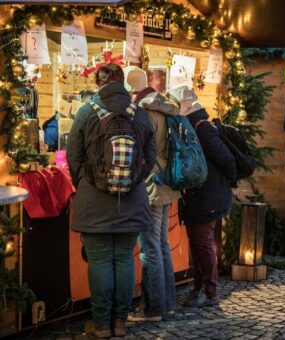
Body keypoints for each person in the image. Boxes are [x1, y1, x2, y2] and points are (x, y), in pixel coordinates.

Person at [67, 63, 155, 338]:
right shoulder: (139, 114)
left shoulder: (85, 112)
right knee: (125, 259)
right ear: (122, 83)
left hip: (94, 200)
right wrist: (135, 178)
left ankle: (101, 324)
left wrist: (86, 181)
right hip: (132, 198)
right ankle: (120, 322)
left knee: (100, 260)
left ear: (98, 84)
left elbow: (73, 156)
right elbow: (151, 156)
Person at [169, 85, 236, 307]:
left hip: (207, 197)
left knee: (203, 244)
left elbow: (227, 159)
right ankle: (200, 289)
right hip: (201, 196)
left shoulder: (202, 128)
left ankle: (210, 291)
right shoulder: (191, 126)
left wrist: (224, 184)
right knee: (199, 244)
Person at [124, 66, 180, 322]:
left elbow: (139, 153)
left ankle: (153, 308)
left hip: (151, 183)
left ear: (128, 86)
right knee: (161, 243)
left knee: (149, 247)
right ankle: (167, 303)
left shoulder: (143, 112)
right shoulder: (164, 106)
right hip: (167, 180)